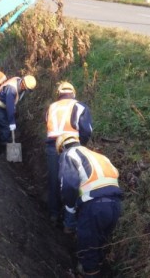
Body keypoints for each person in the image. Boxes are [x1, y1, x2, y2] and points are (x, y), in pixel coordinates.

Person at [56, 133, 122, 278]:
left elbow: (68, 185)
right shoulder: (98, 156)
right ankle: (96, 269)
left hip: (94, 206)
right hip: (115, 205)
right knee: (99, 242)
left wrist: (69, 209)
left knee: (88, 247)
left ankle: (90, 273)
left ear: (61, 148)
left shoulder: (68, 155)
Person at [45, 81, 93, 230]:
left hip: (52, 147)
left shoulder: (51, 107)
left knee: (54, 180)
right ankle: (71, 216)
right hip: (72, 147)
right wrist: (81, 146)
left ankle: (53, 214)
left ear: (58, 94)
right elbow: (86, 130)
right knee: (72, 181)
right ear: (73, 93)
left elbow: (47, 122)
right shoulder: (79, 106)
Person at [0, 75, 37, 147]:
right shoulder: (11, 89)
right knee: (6, 127)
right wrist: (12, 122)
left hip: (3, 104)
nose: (26, 90)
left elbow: (11, 104)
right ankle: (2, 146)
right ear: (23, 84)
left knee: (8, 122)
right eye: (26, 89)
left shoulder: (18, 80)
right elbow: (9, 106)